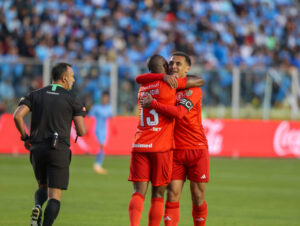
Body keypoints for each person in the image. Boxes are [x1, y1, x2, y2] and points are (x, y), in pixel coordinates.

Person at [129, 54, 204, 226]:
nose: (172, 67)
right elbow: (200, 81)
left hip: (140, 144)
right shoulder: (170, 84)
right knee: (158, 195)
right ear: (164, 66)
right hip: (161, 148)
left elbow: (138, 77)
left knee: (138, 193)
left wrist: (160, 76)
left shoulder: (143, 86)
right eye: (169, 64)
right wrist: (165, 78)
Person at [13, 62, 87, 226]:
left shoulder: (35, 94)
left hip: (37, 148)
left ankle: (38, 206)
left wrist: (25, 137)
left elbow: (17, 116)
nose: (73, 80)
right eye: (72, 76)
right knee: (55, 195)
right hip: (58, 149)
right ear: (64, 78)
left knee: (42, 186)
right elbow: (82, 131)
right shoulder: (71, 99)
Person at [89, 90, 112, 174]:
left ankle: (98, 165)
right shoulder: (96, 107)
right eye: (104, 97)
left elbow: (111, 117)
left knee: (102, 147)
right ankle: (98, 165)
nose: (105, 99)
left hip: (105, 130)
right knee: (101, 146)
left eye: (106, 98)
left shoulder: (109, 107)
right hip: (97, 129)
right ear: (101, 98)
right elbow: (90, 117)